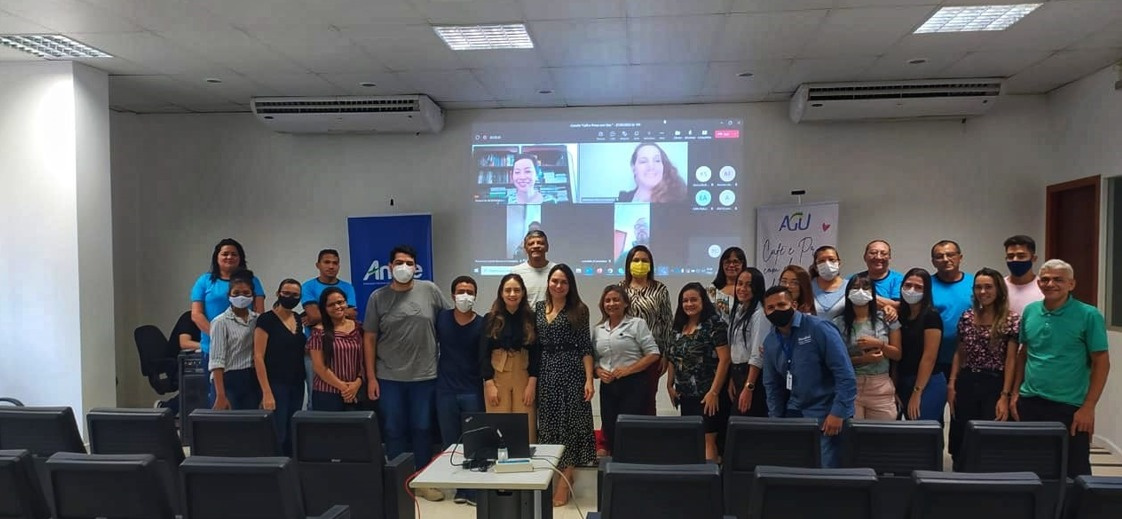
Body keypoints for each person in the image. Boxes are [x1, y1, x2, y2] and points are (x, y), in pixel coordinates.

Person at [363, 245, 451, 503]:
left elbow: (450, 321)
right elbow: (369, 338)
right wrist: (371, 377)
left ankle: (422, 481)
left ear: (416, 267)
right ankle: (398, 482)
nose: (404, 267)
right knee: (393, 429)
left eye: (409, 263)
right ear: (390, 267)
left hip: (424, 376)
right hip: (388, 377)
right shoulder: (378, 297)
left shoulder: (429, 290)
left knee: (422, 428)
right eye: (399, 262)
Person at [1014, 259, 1110, 479]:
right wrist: (1015, 393)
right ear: (1039, 283)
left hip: (1070, 406)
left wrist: (1088, 407)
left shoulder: (1089, 315)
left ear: (1071, 284)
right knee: (1033, 467)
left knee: (1075, 471)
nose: (1050, 284)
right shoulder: (1030, 311)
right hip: (1030, 402)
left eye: (1058, 279)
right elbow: (1024, 353)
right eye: (1045, 279)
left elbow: (1101, 362)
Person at [760, 286, 856, 468]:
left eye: (781, 304)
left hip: (827, 413)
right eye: (770, 308)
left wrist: (838, 412)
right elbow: (772, 386)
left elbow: (845, 375)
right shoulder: (770, 341)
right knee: (795, 469)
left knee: (825, 470)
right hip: (795, 413)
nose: (776, 310)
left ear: (794, 305)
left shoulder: (819, 328)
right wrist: (775, 422)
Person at [534, 264, 596, 507]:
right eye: (555, 281)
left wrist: (589, 379)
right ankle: (555, 473)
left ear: (570, 286)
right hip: (546, 373)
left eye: (564, 282)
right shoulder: (538, 308)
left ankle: (565, 479)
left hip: (571, 372)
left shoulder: (579, 309)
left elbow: (585, 347)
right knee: (549, 425)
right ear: (548, 282)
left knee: (570, 426)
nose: (558, 286)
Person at [947, 268, 1020, 470]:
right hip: (967, 381)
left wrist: (1005, 395)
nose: (983, 291)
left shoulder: (1011, 319)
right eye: (978, 287)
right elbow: (959, 352)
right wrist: (952, 384)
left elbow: (1011, 360)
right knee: (962, 434)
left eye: (988, 287)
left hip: (995, 383)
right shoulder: (967, 317)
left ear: (999, 290)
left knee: (989, 436)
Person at [189, 238, 266, 405]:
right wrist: (220, 336)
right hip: (212, 347)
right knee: (220, 399)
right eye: (225, 254)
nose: (229, 257)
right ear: (217, 257)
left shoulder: (253, 281)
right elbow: (196, 314)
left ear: (240, 258)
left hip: (246, 350)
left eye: (234, 254)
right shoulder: (204, 281)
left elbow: (260, 314)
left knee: (250, 400)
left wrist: (241, 337)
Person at [665, 282, 731, 462]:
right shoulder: (679, 326)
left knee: (708, 438)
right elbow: (672, 356)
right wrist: (669, 385)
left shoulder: (715, 324)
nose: (689, 304)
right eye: (685, 300)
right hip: (685, 394)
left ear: (703, 301)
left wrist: (714, 392)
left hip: (707, 394)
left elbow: (725, 359)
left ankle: (710, 478)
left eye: (693, 300)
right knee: (691, 438)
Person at [434, 275, 485, 506]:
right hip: (445, 389)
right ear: (453, 294)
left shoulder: (482, 324)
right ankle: (460, 488)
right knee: (450, 442)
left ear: (475, 296)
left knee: (474, 440)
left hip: (472, 390)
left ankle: (474, 489)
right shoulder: (441, 319)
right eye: (461, 291)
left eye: (470, 292)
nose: (465, 296)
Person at [593, 286, 661, 455]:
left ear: (625, 303)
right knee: (610, 428)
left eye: (616, 300)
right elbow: (594, 358)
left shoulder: (637, 324)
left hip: (633, 385)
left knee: (631, 429)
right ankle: (615, 463)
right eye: (607, 300)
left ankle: (633, 464)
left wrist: (628, 370)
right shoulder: (598, 330)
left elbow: (653, 353)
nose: (612, 304)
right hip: (608, 386)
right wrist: (598, 371)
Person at [480, 274, 541, 442]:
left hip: (523, 376)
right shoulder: (490, 319)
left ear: (523, 293)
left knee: (526, 424)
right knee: (499, 424)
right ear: (501, 293)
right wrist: (489, 383)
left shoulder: (531, 318)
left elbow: (536, 352)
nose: (512, 294)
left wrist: (532, 384)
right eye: (508, 290)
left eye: (516, 290)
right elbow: (483, 353)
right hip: (497, 376)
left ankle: (526, 457)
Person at [834, 273, 901, 420]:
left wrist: (879, 344)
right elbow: (836, 362)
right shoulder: (838, 323)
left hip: (880, 386)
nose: (860, 292)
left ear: (873, 293)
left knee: (882, 433)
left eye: (865, 288)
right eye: (855, 287)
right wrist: (863, 359)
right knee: (852, 433)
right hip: (851, 385)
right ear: (848, 292)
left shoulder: (887, 318)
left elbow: (897, 354)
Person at [253, 279, 307, 455]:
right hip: (275, 384)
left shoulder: (297, 318)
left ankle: (290, 468)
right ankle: (274, 468)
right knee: (278, 433)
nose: (290, 297)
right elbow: (258, 356)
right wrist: (266, 392)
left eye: (295, 295)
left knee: (292, 432)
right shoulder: (266, 320)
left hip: (297, 384)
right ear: (278, 294)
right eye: (286, 293)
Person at [618, 245, 672, 415]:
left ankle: (648, 431)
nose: (640, 264)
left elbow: (667, 322)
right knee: (625, 399)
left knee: (648, 399)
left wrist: (665, 354)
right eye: (636, 260)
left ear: (650, 264)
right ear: (628, 264)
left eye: (644, 260)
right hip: (625, 354)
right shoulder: (620, 289)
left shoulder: (660, 289)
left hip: (651, 355)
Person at [301, 249, 359, 409]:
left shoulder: (347, 286)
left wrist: (320, 314)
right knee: (314, 398)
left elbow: (353, 314)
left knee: (349, 397)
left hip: (345, 352)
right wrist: (339, 313)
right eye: (327, 262)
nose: (331, 266)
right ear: (318, 265)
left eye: (335, 263)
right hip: (317, 351)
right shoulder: (308, 286)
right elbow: (312, 315)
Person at [895, 268, 947, 422]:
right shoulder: (901, 315)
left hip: (927, 382)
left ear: (926, 291)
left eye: (918, 287)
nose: (912, 290)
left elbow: (929, 357)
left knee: (923, 430)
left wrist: (917, 392)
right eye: (908, 285)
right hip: (904, 380)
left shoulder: (931, 316)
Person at [208, 270, 261, 411]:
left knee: (251, 422)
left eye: (246, 293)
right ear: (229, 296)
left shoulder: (257, 320)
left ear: (252, 295)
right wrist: (220, 395)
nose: (241, 297)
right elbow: (216, 360)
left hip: (251, 379)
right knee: (229, 422)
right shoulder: (220, 322)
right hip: (227, 380)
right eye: (236, 293)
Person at [307, 288, 365, 412]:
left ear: (346, 303)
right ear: (324, 308)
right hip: (327, 394)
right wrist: (344, 388)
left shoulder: (359, 328)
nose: (337, 307)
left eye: (340, 302)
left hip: (357, 391)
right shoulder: (318, 332)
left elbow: (365, 360)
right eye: (331, 305)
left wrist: (357, 383)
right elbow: (319, 367)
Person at [930, 240, 975, 380]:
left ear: (960, 257)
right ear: (933, 262)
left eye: (950, 255)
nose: (945, 259)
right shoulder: (925, 285)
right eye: (939, 256)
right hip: (934, 358)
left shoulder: (975, 283)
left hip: (968, 358)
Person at [728, 268, 770, 417]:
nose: (742, 289)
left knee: (746, 421)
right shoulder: (738, 310)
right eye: (740, 284)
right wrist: (732, 378)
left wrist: (749, 387)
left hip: (752, 376)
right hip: (738, 373)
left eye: (748, 285)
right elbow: (735, 348)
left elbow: (757, 354)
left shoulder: (760, 314)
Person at [155, 311, 201, 413]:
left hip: (192, 363)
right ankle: (166, 407)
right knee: (200, 385)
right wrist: (208, 346)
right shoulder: (188, 318)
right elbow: (184, 343)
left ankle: (166, 407)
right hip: (176, 365)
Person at [616, 143, 687, 203]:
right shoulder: (623, 199)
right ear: (633, 168)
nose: (651, 167)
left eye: (657, 160)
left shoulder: (680, 199)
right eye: (643, 161)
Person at [510, 230, 556, 306]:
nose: (536, 246)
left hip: (552, 313)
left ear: (547, 247)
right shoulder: (515, 272)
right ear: (525, 249)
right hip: (524, 314)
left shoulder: (556, 270)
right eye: (531, 244)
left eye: (540, 243)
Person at [856, 240, 903, 311]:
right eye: (873, 253)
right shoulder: (854, 279)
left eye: (883, 253)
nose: (878, 257)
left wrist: (863, 295)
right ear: (865, 257)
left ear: (889, 257)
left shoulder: (898, 279)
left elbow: (898, 306)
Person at [1003, 235, 1044, 315]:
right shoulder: (999, 287)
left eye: (1021, 256)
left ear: (1034, 258)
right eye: (1010, 256)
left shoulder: (1043, 287)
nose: (1015, 260)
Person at [707, 247, 746, 323]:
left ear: (742, 264)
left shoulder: (747, 290)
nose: (731, 265)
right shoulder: (712, 291)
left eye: (735, 262)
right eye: (727, 262)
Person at [809, 246, 846, 320]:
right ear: (816, 266)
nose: (827, 264)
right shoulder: (808, 287)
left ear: (839, 263)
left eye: (831, 259)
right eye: (821, 261)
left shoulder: (849, 287)